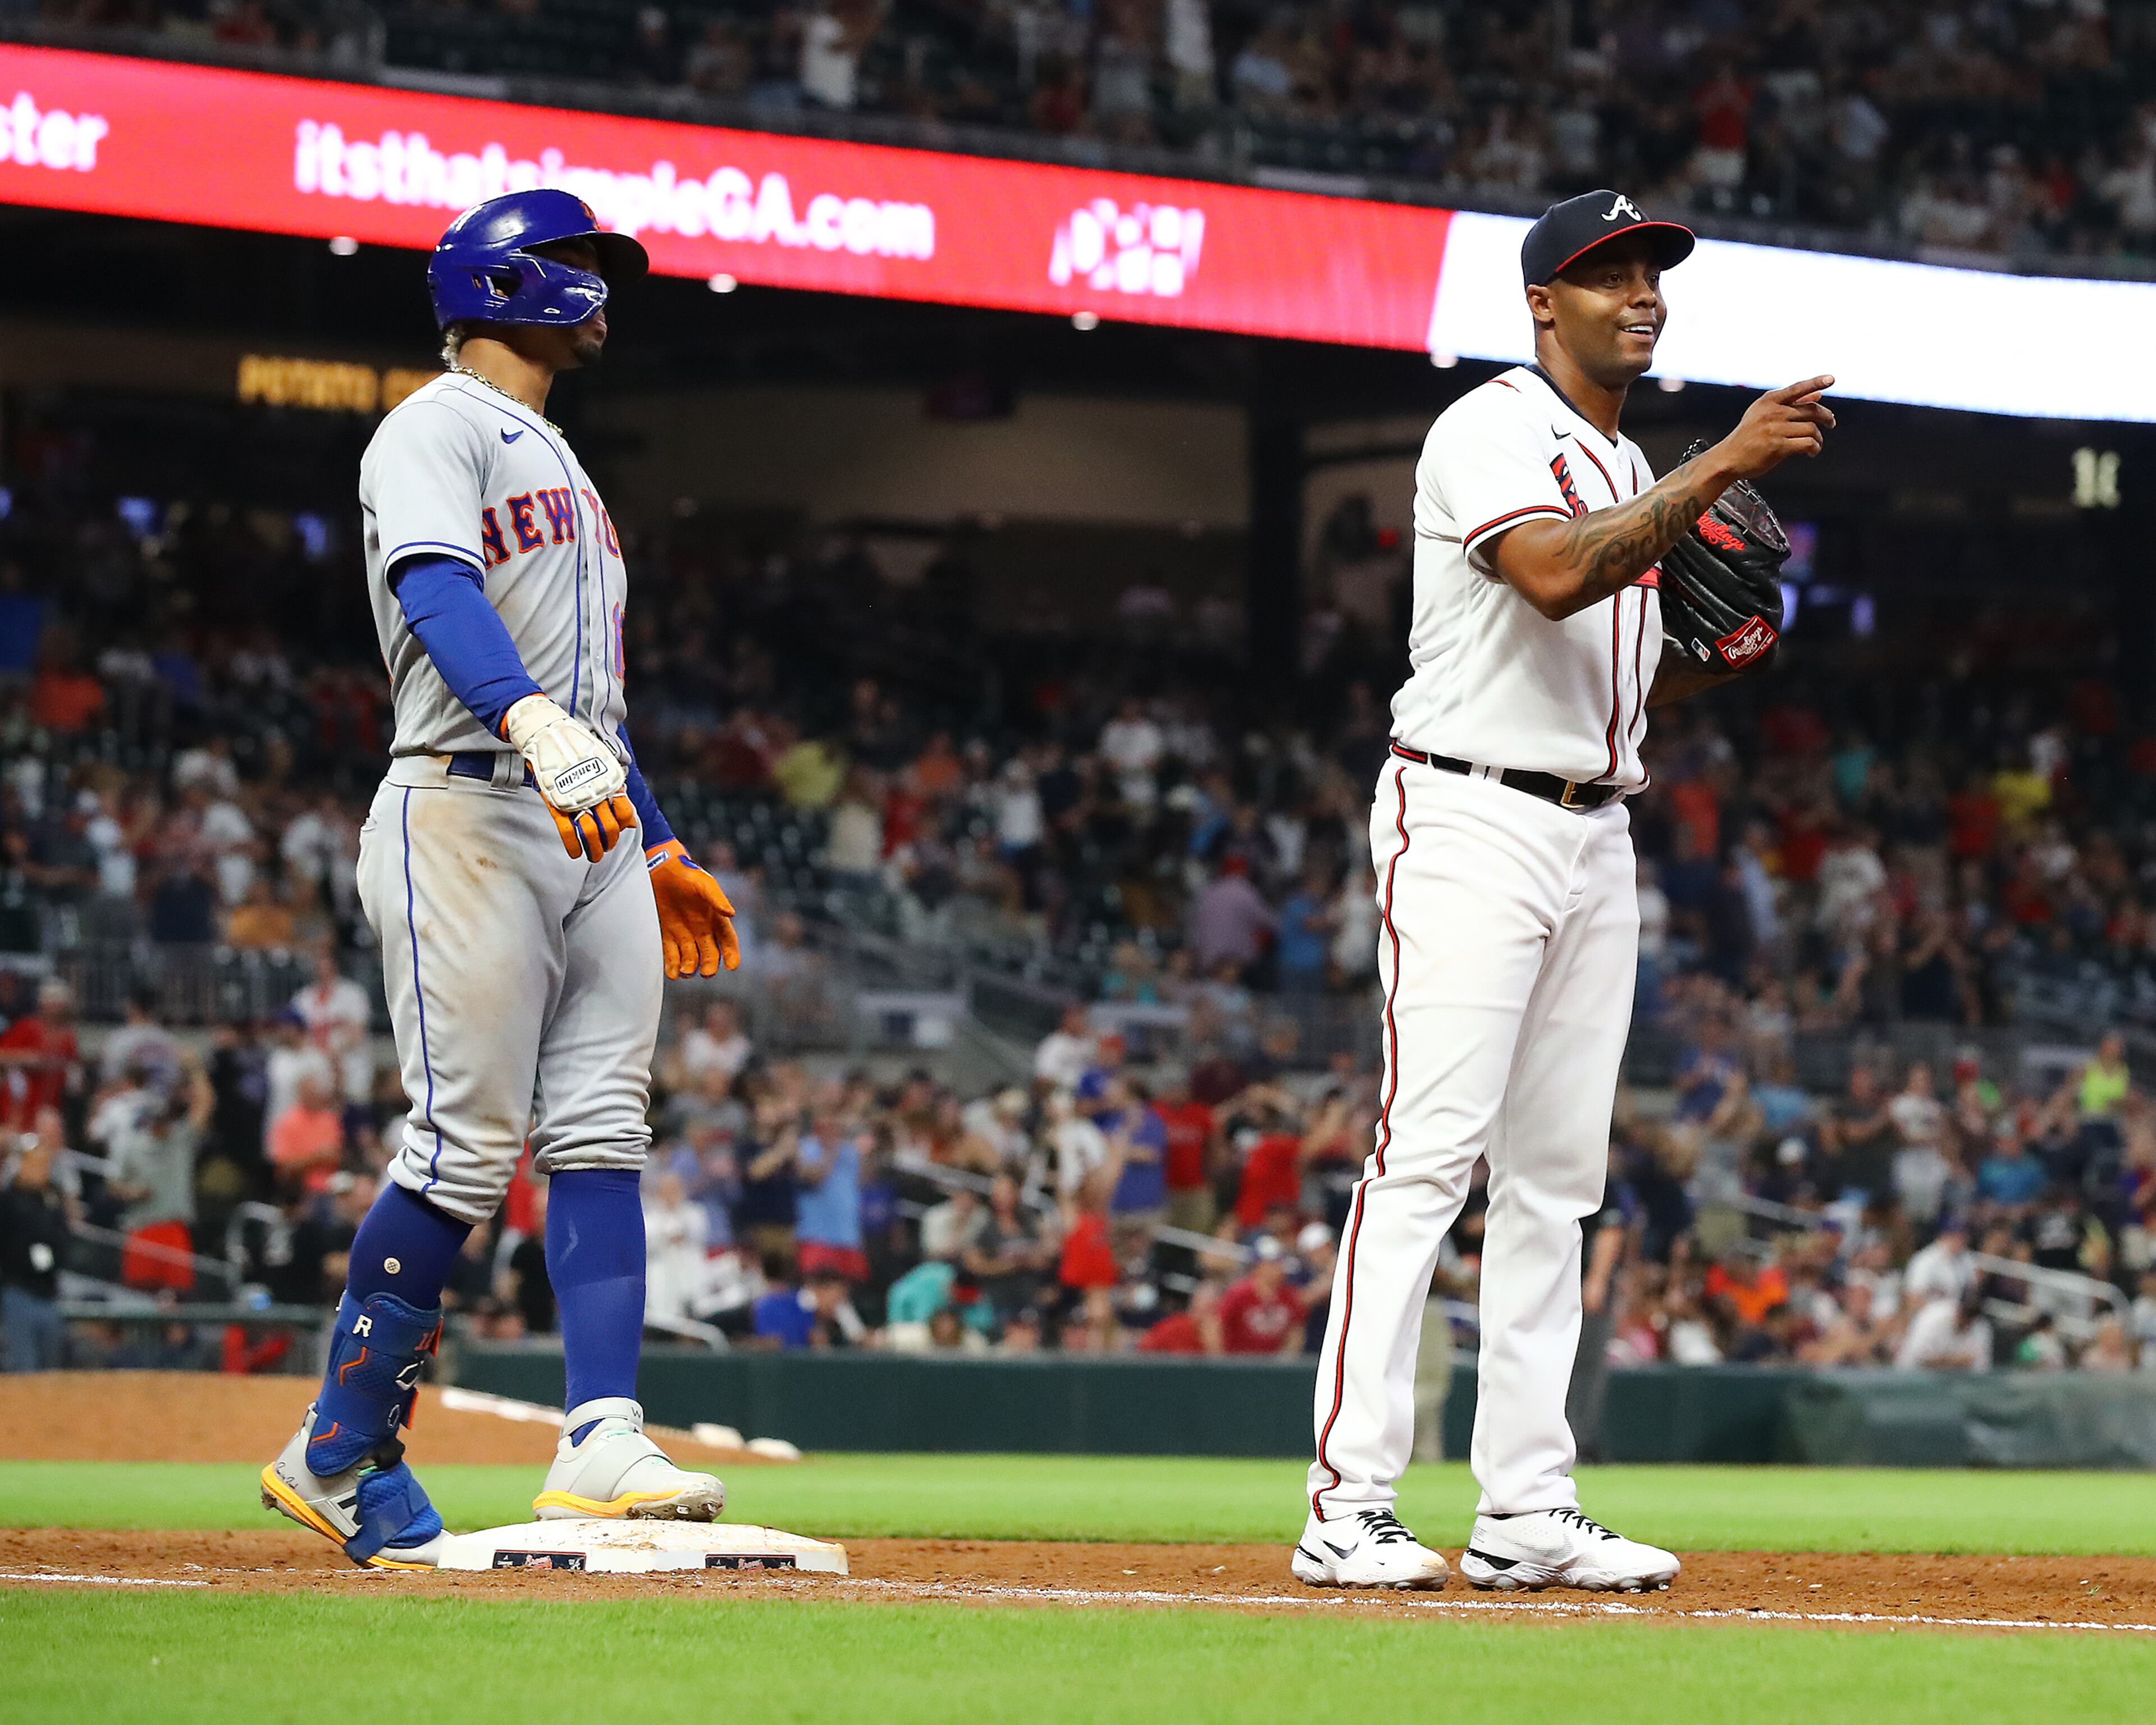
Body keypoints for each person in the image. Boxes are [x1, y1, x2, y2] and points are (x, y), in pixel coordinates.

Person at [1299, 189, 1834, 1594]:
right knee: (1424, 1160)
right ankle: (1344, 1503)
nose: (1640, 292)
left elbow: (1607, 655)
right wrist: (1721, 464)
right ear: (1545, 302)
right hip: (1468, 812)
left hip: (1596, 830)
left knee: (1555, 1188)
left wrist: (1701, 661)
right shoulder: (1489, 426)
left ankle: (1524, 1506)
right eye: (1608, 273)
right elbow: (1544, 578)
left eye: (1651, 269)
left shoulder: (1621, 458)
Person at [262, 190, 742, 1571]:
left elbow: (598, 700)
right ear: (507, 279)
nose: (603, 288)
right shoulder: (436, 423)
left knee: (601, 1129)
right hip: (463, 805)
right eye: (583, 264)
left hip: (582, 823)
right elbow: (432, 584)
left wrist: (653, 838)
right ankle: (341, 1442)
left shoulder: (569, 467)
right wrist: (526, 720)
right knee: (465, 1145)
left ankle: (600, 1433)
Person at [109, 1051, 214, 1293]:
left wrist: (196, 1070)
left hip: (173, 1226)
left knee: (178, 1300)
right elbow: (114, 1184)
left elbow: (205, 1104)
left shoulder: (181, 1139)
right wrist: (131, 1191)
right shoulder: (132, 1144)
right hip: (142, 1227)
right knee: (138, 1300)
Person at [1, 1127, 72, 1371]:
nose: (40, 1169)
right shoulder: (7, 1201)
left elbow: (63, 1242)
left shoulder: (52, 1200)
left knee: (49, 1374)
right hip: (17, 1293)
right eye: (33, 1163)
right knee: (24, 1371)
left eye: (44, 1163)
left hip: (49, 1295)